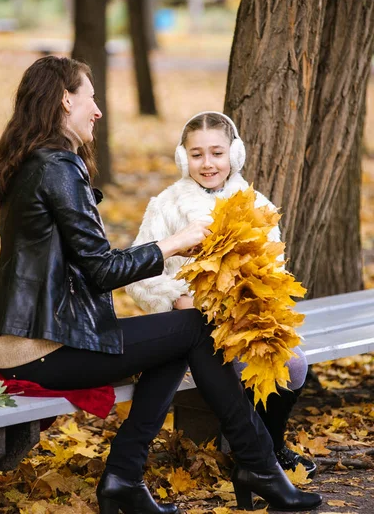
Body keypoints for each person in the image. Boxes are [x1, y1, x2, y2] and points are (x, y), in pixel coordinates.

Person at [0, 57, 321, 514]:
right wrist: (175, 243)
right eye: (91, 96)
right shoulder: (57, 167)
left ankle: (125, 478)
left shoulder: (34, 163)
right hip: (42, 348)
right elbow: (103, 270)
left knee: (176, 337)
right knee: (196, 328)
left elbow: (79, 268)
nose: (97, 110)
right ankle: (257, 463)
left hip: (32, 341)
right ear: (66, 99)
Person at [126, 111, 316, 477]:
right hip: (186, 324)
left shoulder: (255, 203)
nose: (207, 163)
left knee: (292, 363)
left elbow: (273, 270)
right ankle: (255, 458)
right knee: (222, 370)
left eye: (217, 153)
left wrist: (253, 305)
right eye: (196, 154)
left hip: (243, 321)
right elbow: (138, 274)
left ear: (235, 154)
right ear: (183, 157)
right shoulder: (165, 205)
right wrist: (177, 300)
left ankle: (271, 449)